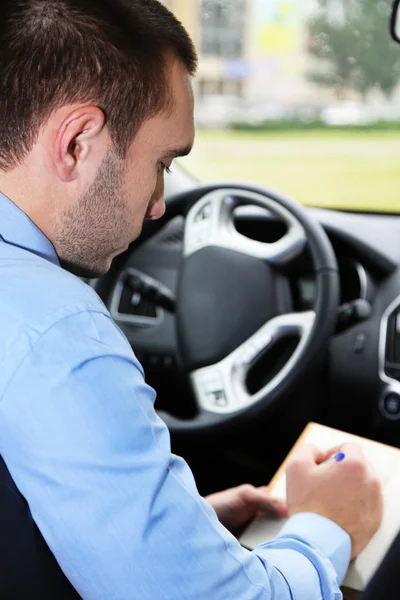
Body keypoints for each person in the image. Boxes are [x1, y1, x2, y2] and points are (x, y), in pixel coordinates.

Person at [0, 1, 383, 598]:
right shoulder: (55, 329)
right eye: (162, 163)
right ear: (76, 143)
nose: (159, 202)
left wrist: (181, 528)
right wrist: (327, 526)